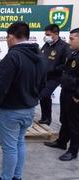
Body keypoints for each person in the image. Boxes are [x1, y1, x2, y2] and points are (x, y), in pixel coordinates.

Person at [0, 22, 47, 180]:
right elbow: (43, 84)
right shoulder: (40, 55)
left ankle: (6, 178)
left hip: (10, 112)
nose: (6, 40)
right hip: (29, 110)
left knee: (9, 148)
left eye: (7, 37)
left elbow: (1, 88)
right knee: (19, 143)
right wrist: (32, 99)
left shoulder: (12, 56)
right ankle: (16, 177)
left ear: (11, 37)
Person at [44, 28, 79, 161]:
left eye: (72, 38)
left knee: (74, 123)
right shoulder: (73, 52)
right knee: (64, 119)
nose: (69, 41)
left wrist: (77, 95)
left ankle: (73, 150)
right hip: (66, 90)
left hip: (75, 95)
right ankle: (61, 142)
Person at [39, 24, 70, 125]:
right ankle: (45, 117)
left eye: (48, 34)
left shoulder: (64, 47)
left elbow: (66, 65)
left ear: (56, 34)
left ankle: (47, 118)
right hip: (43, 76)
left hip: (55, 77)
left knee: (44, 94)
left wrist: (52, 69)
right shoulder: (46, 45)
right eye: (45, 34)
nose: (46, 36)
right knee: (44, 96)